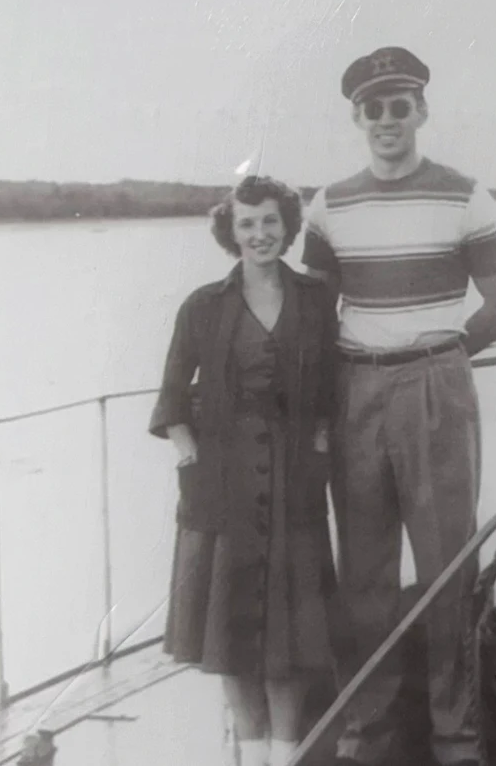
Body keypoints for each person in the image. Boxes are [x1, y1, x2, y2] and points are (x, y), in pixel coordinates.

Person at [302, 46, 496, 766]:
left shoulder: (465, 195)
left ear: (421, 111)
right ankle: (369, 728)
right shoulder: (328, 207)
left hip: (435, 386)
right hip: (355, 388)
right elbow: (313, 314)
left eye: (401, 105)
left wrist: (444, 360)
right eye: (374, 107)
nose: (387, 119)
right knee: (362, 571)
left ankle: (456, 735)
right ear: (356, 117)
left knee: (446, 568)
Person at [149, 175, 339, 766]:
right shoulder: (203, 306)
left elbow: (330, 392)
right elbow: (173, 400)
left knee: (293, 633)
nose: (259, 234)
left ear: (287, 226)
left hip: (292, 482)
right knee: (228, 637)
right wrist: (190, 455)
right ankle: (252, 755)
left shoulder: (314, 299)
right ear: (231, 234)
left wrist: (317, 450)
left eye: (269, 221)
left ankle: (285, 755)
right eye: (246, 224)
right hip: (223, 482)